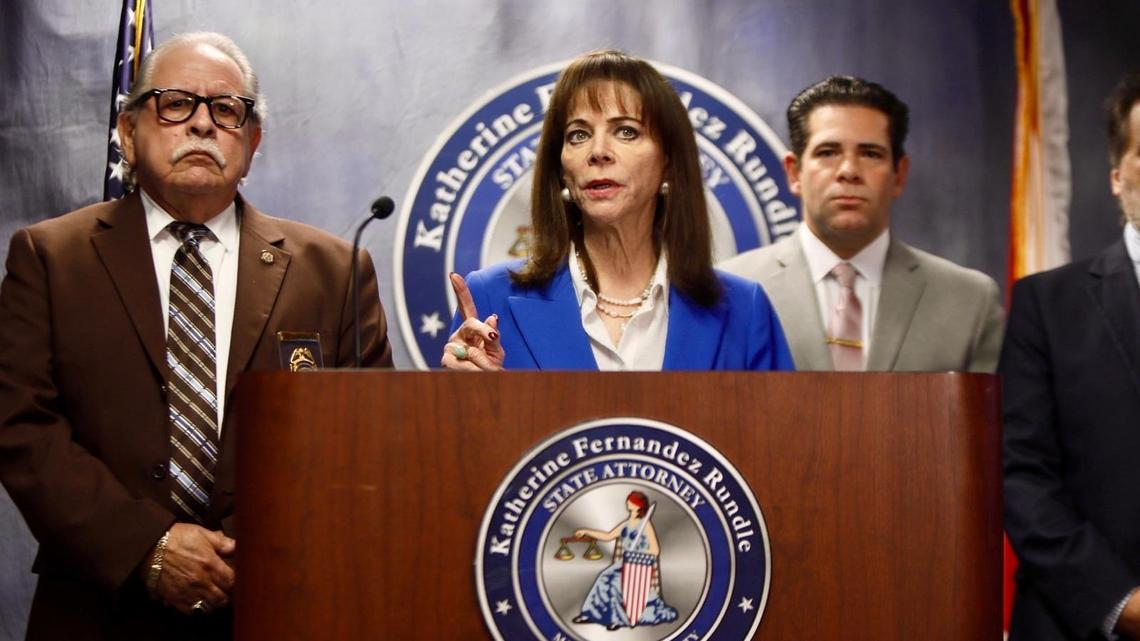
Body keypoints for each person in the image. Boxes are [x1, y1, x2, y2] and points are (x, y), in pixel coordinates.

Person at [0, 32, 392, 639]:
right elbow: (21, 427)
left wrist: (241, 551)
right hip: (98, 607)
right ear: (128, 133)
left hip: (276, 598)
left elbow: (362, 441)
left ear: (252, 143)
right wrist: (148, 547)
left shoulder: (334, 271)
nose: (203, 124)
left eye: (227, 109)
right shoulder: (51, 257)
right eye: (176, 104)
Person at [441, 49, 793, 371]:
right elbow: (456, 422)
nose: (598, 151)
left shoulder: (744, 310)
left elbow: (780, 424)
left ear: (668, 162)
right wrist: (473, 398)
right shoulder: (490, 298)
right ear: (561, 169)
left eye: (626, 131)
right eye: (578, 135)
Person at [719, 76, 1003, 372]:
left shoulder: (971, 302)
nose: (849, 171)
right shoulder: (727, 293)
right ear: (794, 173)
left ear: (899, 174)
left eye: (870, 154)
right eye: (828, 152)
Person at [1002, 71, 1140, 641]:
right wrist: (1120, 603)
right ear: (1116, 177)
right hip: (1081, 624)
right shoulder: (1046, 305)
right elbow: (1023, 476)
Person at [572, 491, 677, 630]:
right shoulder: (626, 524)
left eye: (631, 501)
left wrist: (638, 553)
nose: (628, 502)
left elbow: (655, 550)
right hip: (624, 563)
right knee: (603, 577)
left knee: (616, 583)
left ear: (638, 505)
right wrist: (586, 531)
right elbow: (608, 536)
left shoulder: (646, 524)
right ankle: (590, 614)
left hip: (640, 564)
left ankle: (616, 619)